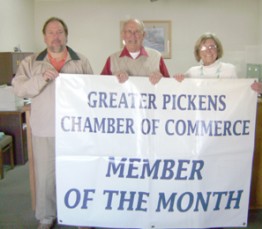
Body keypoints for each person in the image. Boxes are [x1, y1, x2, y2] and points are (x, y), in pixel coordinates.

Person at [11, 17, 93, 229]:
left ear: (66, 35)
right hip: (45, 128)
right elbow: (20, 89)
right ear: (44, 37)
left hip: (75, 130)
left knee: (76, 173)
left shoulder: (81, 61)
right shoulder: (31, 62)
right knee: (46, 175)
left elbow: (91, 93)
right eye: (51, 32)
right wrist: (41, 79)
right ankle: (46, 216)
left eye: (59, 32)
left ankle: (79, 215)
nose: (55, 36)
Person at [174, 32, 262, 93]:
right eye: (204, 48)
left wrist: (256, 90)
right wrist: (177, 79)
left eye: (212, 47)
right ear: (198, 52)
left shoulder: (230, 70)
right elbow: (177, 90)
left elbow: (241, 92)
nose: (208, 51)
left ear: (218, 50)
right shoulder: (191, 72)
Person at [101, 18, 170, 84]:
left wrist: (162, 81)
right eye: (129, 31)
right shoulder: (112, 59)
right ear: (123, 35)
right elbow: (100, 85)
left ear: (143, 35)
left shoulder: (156, 57)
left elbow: (169, 86)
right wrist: (112, 79)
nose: (133, 36)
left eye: (137, 32)